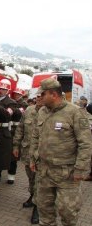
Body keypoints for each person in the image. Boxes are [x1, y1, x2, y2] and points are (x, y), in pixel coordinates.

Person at [30, 78, 92, 226]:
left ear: (53, 94)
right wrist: (33, 159)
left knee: (68, 212)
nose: (39, 98)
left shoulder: (74, 112)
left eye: (42, 94)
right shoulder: (42, 112)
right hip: (44, 171)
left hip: (67, 174)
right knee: (44, 211)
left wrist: (81, 169)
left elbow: (86, 143)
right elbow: (35, 137)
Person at [13, 93, 43, 224]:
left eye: (42, 95)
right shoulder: (29, 110)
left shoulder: (51, 112)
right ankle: (32, 196)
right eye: (38, 96)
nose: (39, 98)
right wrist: (16, 145)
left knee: (39, 180)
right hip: (27, 152)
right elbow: (20, 128)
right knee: (31, 177)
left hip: (41, 155)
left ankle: (38, 207)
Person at [0, 78, 17, 196]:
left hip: (2, 132)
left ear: (8, 91)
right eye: (0, 88)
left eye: (4, 89)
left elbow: (6, 115)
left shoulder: (12, 102)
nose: (1, 91)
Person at [7, 86, 28, 184]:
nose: (16, 95)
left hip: (16, 129)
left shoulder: (24, 104)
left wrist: (10, 107)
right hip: (8, 128)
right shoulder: (11, 101)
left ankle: (11, 174)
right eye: (15, 94)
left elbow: (18, 113)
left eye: (18, 94)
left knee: (14, 153)